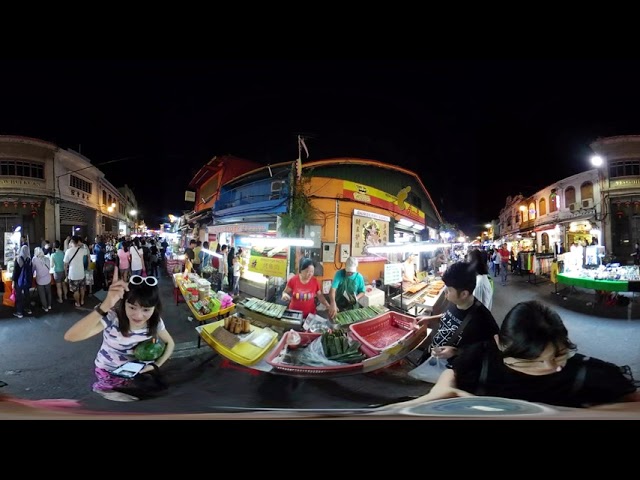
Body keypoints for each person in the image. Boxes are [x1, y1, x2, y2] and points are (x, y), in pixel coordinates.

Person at [392, 301, 639, 409]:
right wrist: (440, 392)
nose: (552, 367)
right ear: (499, 345)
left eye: (560, 354)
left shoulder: (588, 373)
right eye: (530, 361)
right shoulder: (481, 358)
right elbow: (453, 374)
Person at [64, 266, 175, 402]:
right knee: (111, 399)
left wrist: (155, 365)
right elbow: (71, 336)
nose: (138, 315)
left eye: (146, 309)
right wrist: (106, 304)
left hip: (136, 372)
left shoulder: (155, 321)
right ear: (124, 304)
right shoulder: (113, 317)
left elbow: (170, 343)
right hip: (107, 371)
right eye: (132, 307)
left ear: (155, 308)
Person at [413, 261, 499, 372]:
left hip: (452, 370)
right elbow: (449, 316)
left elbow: (492, 350)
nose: (445, 293)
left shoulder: (483, 319)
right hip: (433, 358)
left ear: (464, 294)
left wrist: (456, 352)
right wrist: (429, 319)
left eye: (448, 290)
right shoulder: (456, 302)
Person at [12, 245, 33, 318]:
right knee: (27, 295)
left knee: (19, 296)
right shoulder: (29, 259)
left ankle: (19, 312)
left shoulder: (18, 259)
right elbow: (31, 271)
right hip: (26, 281)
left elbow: (15, 272)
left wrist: (13, 281)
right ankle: (28, 309)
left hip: (19, 281)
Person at [32, 247, 52, 312]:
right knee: (48, 292)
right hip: (48, 278)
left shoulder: (34, 259)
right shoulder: (47, 258)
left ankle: (45, 307)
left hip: (40, 279)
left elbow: (33, 269)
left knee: (42, 294)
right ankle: (49, 305)